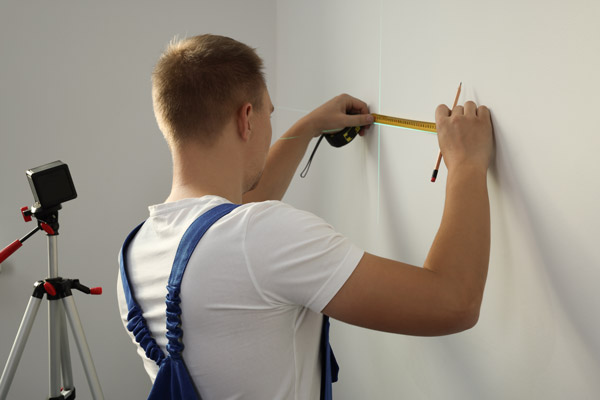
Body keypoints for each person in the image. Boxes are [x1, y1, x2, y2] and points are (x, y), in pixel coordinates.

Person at [117, 34, 494, 399]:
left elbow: (225, 228)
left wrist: (308, 126)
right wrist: (467, 164)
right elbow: (452, 302)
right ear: (246, 119)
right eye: (268, 113)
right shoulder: (261, 235)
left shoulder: (137, 253)